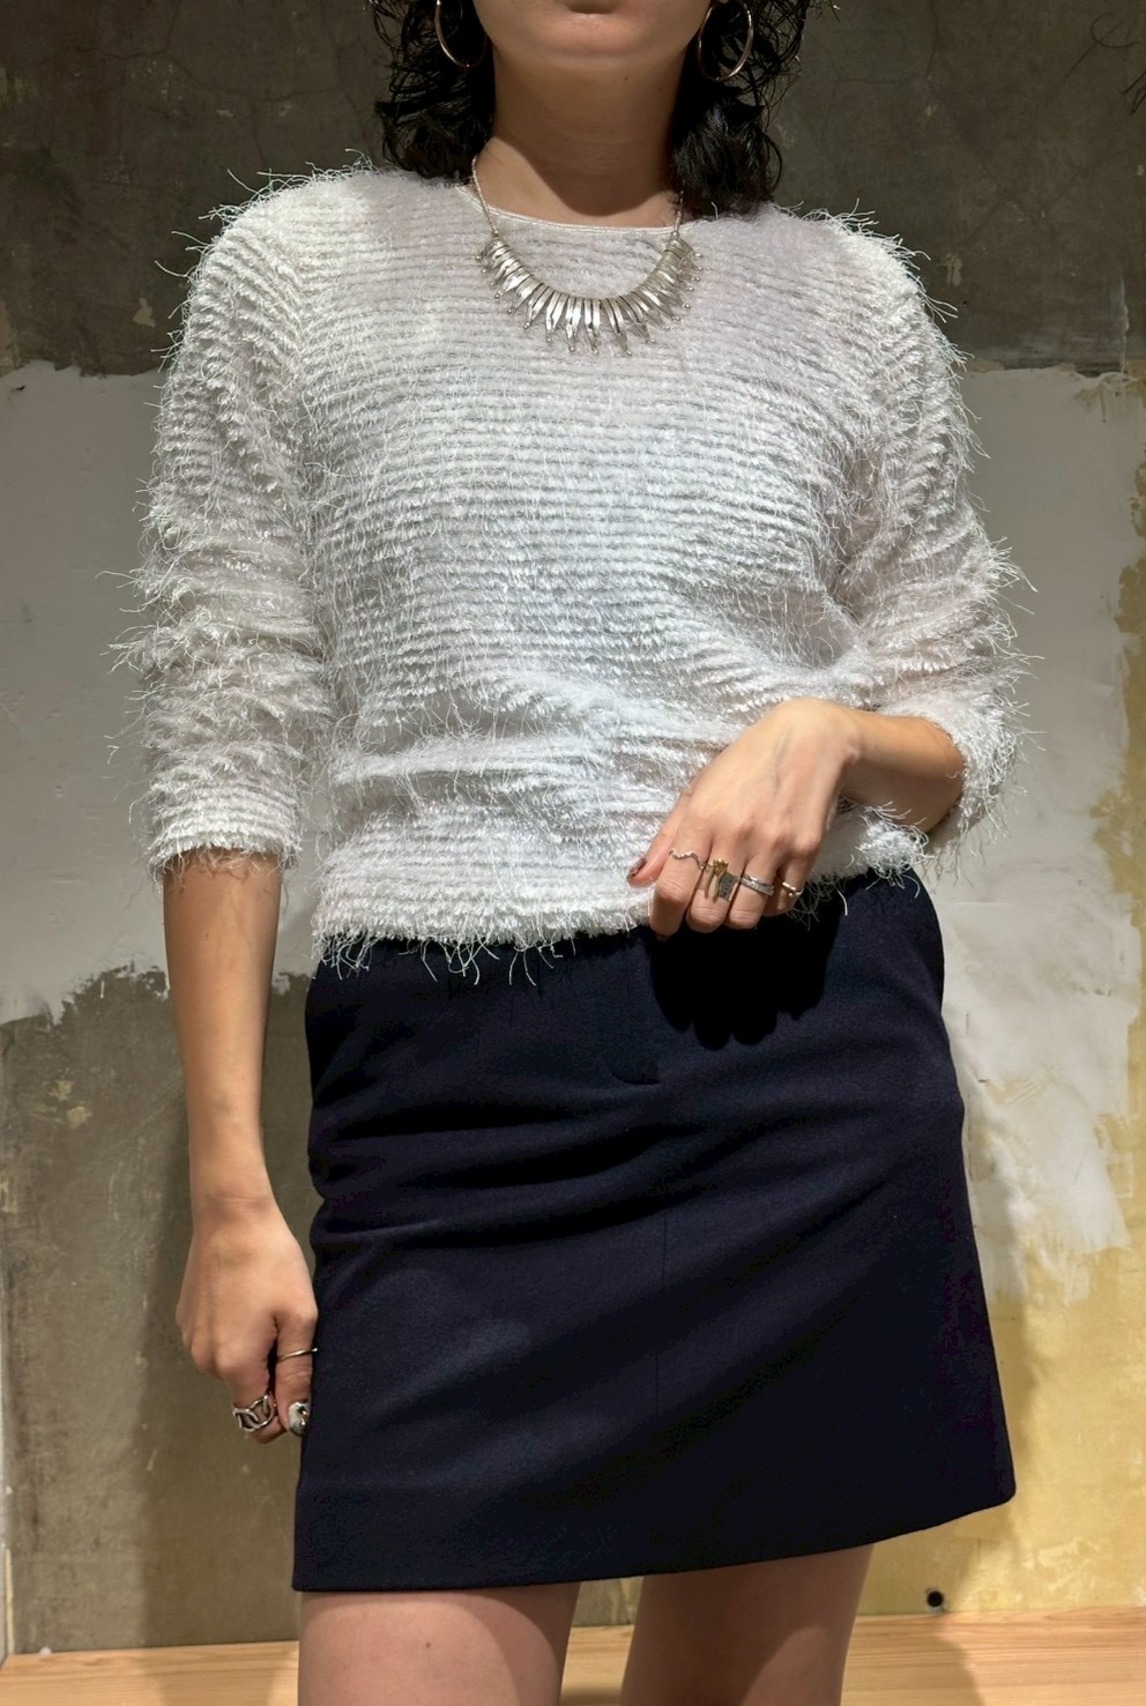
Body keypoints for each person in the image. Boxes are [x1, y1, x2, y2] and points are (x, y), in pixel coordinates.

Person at [114, 1, 1033, 1701]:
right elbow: (219, 754)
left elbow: (959, 720)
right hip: (454, 1112)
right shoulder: (292, 277)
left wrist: (829, 732)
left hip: (802, 1081)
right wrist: (232, 1194)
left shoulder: (850, 300)